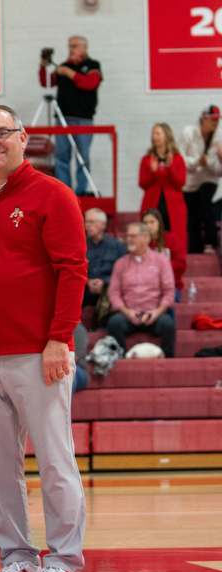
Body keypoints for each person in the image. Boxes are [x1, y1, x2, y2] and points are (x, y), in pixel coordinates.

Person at [0, 104, 87, 572]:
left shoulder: (52, 194)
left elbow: (73, 270)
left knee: (55, 461)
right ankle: (17, 559)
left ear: (22, 136)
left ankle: (64, 562)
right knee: (1, 463)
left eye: (2, 133)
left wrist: (60, 338)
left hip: (40, 351)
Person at [40, 35, 103, 195]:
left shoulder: (92, 65)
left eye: (74, 46)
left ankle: (81, 191)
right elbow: (46, 82)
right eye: (69, 46)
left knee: (83, 157)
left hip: (84, 119)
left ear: (84, 48)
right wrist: (43, 65)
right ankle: (65, 191)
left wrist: (69, 73)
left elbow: (90, 83)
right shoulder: (63, 66)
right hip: (62, 118)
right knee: (62, 156)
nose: (71, 49)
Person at [107, 223, 176, 357]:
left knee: (168, 324)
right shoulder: (120, 263)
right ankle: (122, 359)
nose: (129, 240)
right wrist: (127, 312)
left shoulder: (161, 260)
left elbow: (169, 291)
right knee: (114, 323)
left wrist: (157, 312)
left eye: (133, 236)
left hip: (153, 313)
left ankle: (167, 361)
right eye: (127, 236)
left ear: (145, 238)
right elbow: (113, 293)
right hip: (129, 314)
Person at [138, 123, 188, 257]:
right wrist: (153, 172)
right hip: (152, 201)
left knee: (174, 234)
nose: (155, 137)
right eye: (153, 134)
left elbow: (180, 182)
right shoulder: (147, 159)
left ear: (167, 135)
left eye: (158, 133)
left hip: (173, 205)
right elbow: (142, 183)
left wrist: (170, 168)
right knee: (150, 232)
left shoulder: (177, 158)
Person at [180, 105, 222, 253]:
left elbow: (218, 172)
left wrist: (214, 162)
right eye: (212, 120)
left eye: (217, 121)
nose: (215, 124)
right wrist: (198, 161)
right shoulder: (188, 133)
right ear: (204, 118)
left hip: (209, 179)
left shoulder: (219, 137)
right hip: (190, 182)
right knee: (192, 216)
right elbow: (181, 160)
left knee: (205, 200)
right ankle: (194, 249)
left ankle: (211, 241)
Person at [83, 208, 126, 311]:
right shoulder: (81, 245)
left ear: (103, 225)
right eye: (86, 221)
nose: (87, 225)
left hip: (110, 289)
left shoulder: (117, 246)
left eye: (91, 222)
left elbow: (124, 272)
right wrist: (87, 281)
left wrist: (106, 282)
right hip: (85, 288)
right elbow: (75, 269)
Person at [143, 208, 187, 301]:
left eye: (152, 222)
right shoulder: (141, 242)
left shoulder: (171, 239)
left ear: (159, 223)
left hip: (170, 287)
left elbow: (181, 264)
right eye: (145, 223)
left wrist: (160, 267)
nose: (148, 226)